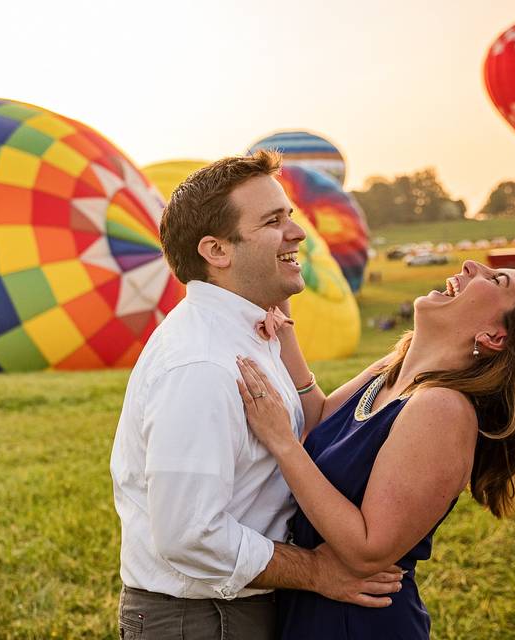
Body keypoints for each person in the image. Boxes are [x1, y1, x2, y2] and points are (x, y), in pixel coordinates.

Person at [110, 151, 404, 639]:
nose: (298, 233)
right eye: (273, 221)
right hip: (202, 618)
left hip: (229, 606)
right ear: (217, 251)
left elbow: (314, 421)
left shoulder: (245, 332)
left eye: (289, 215)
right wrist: (315, 570)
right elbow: (188, 534)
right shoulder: (200, 365)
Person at [234, 260, 515, 639]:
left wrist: (283, 442)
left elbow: (368, 550)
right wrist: (284, 328)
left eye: (497, 280)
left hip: (358, 624)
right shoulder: (396, 369)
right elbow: (320, 419)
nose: (471, 266)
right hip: (312, 609)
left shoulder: (444, 409)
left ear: (494, 337)